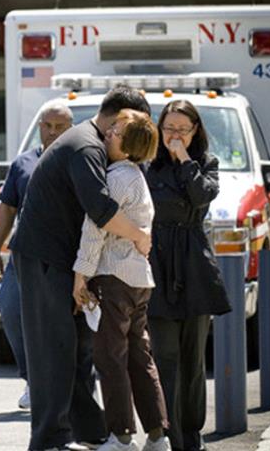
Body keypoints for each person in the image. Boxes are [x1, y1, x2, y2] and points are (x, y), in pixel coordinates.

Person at [9, 84, 153, 451]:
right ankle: (50, 440)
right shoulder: (88, 146)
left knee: (74, 351)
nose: (122, 135)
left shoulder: (94, 143)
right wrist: (139, 236)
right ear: (116, 117)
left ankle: (88, 431)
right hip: (44, 257)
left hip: (62, 259)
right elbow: (101, 211)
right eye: (124, 127)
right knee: (52, 351)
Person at [72, 111, 169, 451]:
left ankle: (121, 436)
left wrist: (80, 276)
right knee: (140, 357)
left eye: (115, 132)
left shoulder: (115, 177)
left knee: (110, 357)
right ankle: (158, 436)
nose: (107, 134)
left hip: (113, 277)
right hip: (139, 280)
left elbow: (94, 228)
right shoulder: (138, 178)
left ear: (128, 148)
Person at [145, 100, 231, 451]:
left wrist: (183, 159)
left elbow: (201, 196)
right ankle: (169, 436)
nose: (174, 136)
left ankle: (193, 436)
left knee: (193, 359)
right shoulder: (147, 164)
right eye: (169, 129)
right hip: (157, 263)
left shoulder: (206, 164)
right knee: (164, 356)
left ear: (195, 131)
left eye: (182, 129)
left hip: (193, 263)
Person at [0, 100, 73, 409]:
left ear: (70, 129)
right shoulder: (22, 163)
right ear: (39, 127)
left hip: (66, 259)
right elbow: (7, 208)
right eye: (47, 126)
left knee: (61, 324)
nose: (52, 132)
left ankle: (67, 389)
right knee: (9, 309)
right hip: (23, 256)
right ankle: (33, 380)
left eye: (60, 127)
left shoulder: (80, 160)